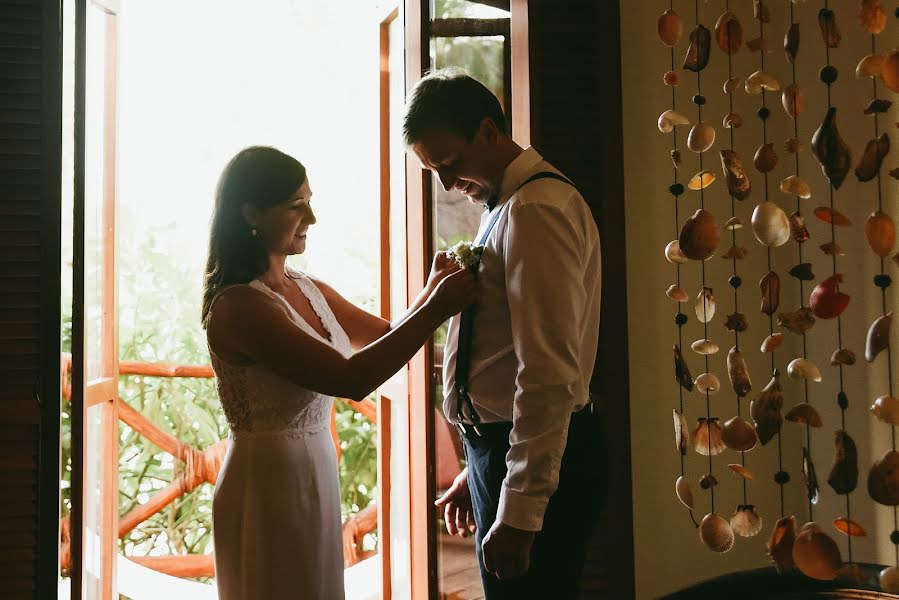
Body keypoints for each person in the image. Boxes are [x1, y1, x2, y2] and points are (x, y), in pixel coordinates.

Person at [201, 146, 475, 599]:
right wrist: (436, 307)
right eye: (296, 205)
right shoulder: (240, 305)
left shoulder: (306, 287)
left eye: (309, 200)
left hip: (315, 471)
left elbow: (388, 335)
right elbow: (351, 379)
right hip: (266, 485)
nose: (312, 216)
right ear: (250, 210)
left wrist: (430, 293)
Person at [404, 69, 604, 599]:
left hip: (538, 459)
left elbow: (547, 370)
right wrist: (478, 465)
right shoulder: (507, 206)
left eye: (449, 164)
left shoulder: (537, 211)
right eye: (433, 171)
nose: (446, 184)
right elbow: (502, 355)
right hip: (505, 449)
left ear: (489, 131)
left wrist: (520, 509)